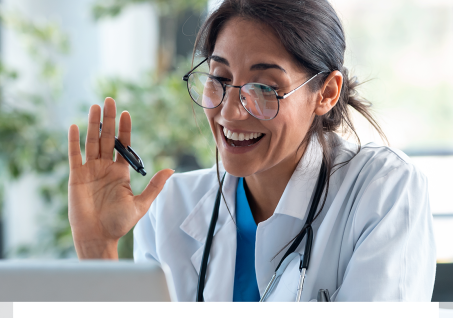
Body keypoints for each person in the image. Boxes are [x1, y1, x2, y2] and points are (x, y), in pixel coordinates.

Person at [68, 0, 436, 301]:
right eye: (219, 79)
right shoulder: (170, 208)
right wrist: (97, 249)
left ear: (325, 92)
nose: (230, 112)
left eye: (264, 87)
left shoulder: (384, 191)